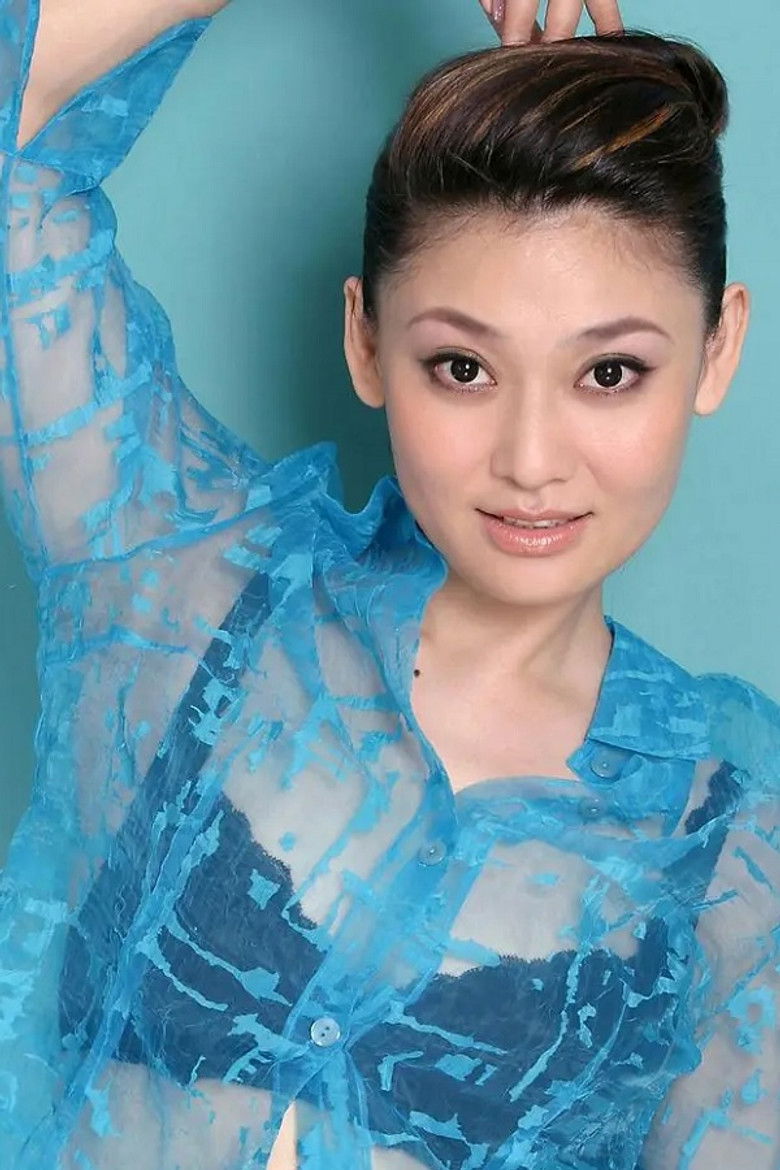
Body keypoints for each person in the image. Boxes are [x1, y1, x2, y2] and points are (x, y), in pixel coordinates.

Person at [0, 0, 777, 1166]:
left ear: (717, 349)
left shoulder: (730, 856)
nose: (532, 459)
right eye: (462, 366)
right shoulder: (182, 584)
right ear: (366, 340)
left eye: (610, 373)